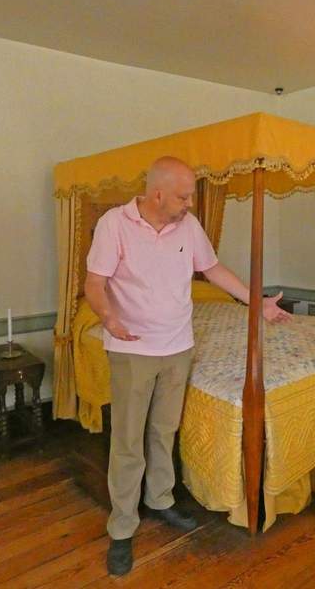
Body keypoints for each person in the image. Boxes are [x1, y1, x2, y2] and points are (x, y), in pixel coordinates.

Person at [84, 156, 291, 576]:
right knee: (127, 440)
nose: (190, 204)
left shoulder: (188, 228)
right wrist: (109, 318)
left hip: (178, 347)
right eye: (183, 196)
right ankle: (122, 527)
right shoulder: (114, 224)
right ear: (157, 193)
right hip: (132, 352)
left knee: (163, 431)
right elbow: (94, 281)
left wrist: (257, 303)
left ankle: (159, 500)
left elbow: (212, 269)